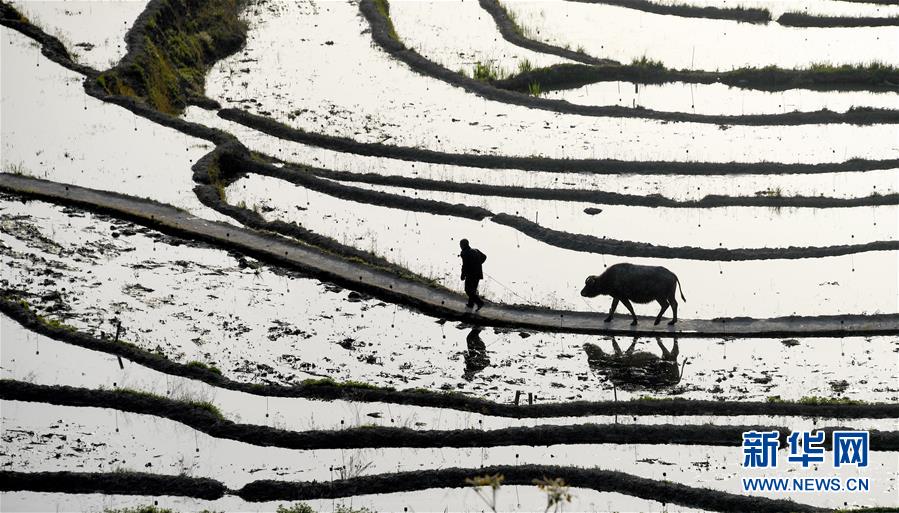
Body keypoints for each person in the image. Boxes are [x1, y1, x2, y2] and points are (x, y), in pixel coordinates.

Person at [459, 238, 486, 311]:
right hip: (478, 274)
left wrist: (462, 275)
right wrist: (478, 263)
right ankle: (470, 304)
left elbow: (465, 266)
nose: (460, 246)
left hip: (471, 274)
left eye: (460, 245)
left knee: (468, 290)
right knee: (473, 290)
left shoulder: (464, 253)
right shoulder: (476, 250)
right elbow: (484, 257)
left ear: (463, 245)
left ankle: (479, 302)